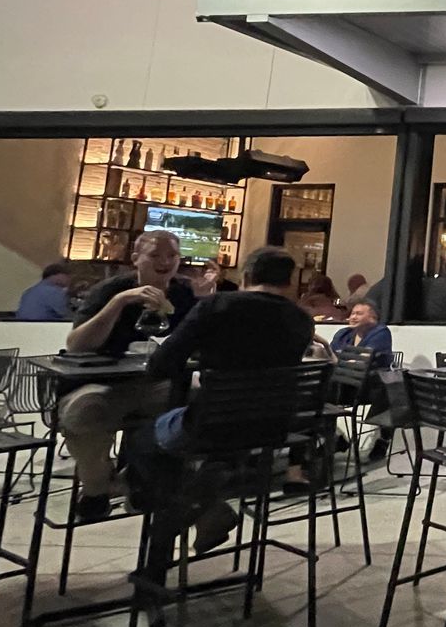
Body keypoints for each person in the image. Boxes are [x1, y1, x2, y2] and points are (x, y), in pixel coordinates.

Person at [124, 247, 317, 592]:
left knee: (141, 440)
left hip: (209, 426)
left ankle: (187, 521)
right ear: (289, 282)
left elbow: (161, 367)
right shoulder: (301, 321)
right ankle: (195, 511)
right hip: (270, 428)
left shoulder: (216, 307)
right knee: (202, 457)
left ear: (246, 275)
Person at [58, 231, 201, 522]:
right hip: (101, 382)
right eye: (155, 255)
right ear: (136, 259)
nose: (164, 262)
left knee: (199, 398)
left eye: (171, 256)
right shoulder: (110, 290)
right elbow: (77, 344)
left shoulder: (182, 292)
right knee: (83, 412)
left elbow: (195, 340)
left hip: (154, 383)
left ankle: (146, 478)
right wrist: (120, 302)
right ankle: (97, 487)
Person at [331, 300, 394, 368]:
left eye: (359, 314)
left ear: (373, 318)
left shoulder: (381, 332)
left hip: (370, 376)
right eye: (352, 313)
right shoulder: (343, 333)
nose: (353, 317)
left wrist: (339, 363)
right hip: (343, 374)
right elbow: (329, 354)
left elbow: (363, 359)